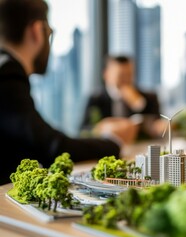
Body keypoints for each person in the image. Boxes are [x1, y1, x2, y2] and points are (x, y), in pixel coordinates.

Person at [0, 0, 138, 185]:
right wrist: (114, 141)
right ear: (37, 31)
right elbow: (52, 147)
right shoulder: (7, 73)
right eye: (50, 33)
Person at [81, 55, 163, 138]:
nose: (125, 80)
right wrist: (101, 129)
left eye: (129, 75)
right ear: (106, 75)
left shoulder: (149, 98)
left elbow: (158, 126)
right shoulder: (96, 99)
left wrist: (139, 104)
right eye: (121, 75)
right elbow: (84, 130)